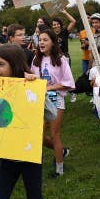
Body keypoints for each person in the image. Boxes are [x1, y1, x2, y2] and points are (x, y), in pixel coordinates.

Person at [0, 44, 55, 199]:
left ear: (14, 64)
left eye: (1, 64)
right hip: (6, 155)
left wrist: (38, 90)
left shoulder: (29, 85)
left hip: (29, 156)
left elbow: (52, 114)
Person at [32, 29, 75, 177]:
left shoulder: (60, 60)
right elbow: (33, 79)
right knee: (39, 136)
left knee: (54, 134)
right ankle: (62, 152)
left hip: (56, 100)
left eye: (45, 40)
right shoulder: (35, 60)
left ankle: (59, 169)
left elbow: (68, 82)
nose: (41, 42)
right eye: (40, 40)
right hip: (40, 100)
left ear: (53, 42)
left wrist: (49, 87)